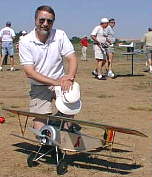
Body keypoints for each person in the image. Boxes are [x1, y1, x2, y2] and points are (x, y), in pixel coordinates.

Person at [19, 5, 78, 130]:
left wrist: (70, 77)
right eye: (42, 20)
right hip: (40, 85)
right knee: (40, 124)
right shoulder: (25, 41)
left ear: (53, 22)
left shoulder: (60, 35)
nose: (45, 24)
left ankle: (65, 139)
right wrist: (56, 82)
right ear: (35, 20)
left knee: (70, 112)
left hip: (61, 83)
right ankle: (47, 140)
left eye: (49, 21)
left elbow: (72, 58)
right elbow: (30, 72)